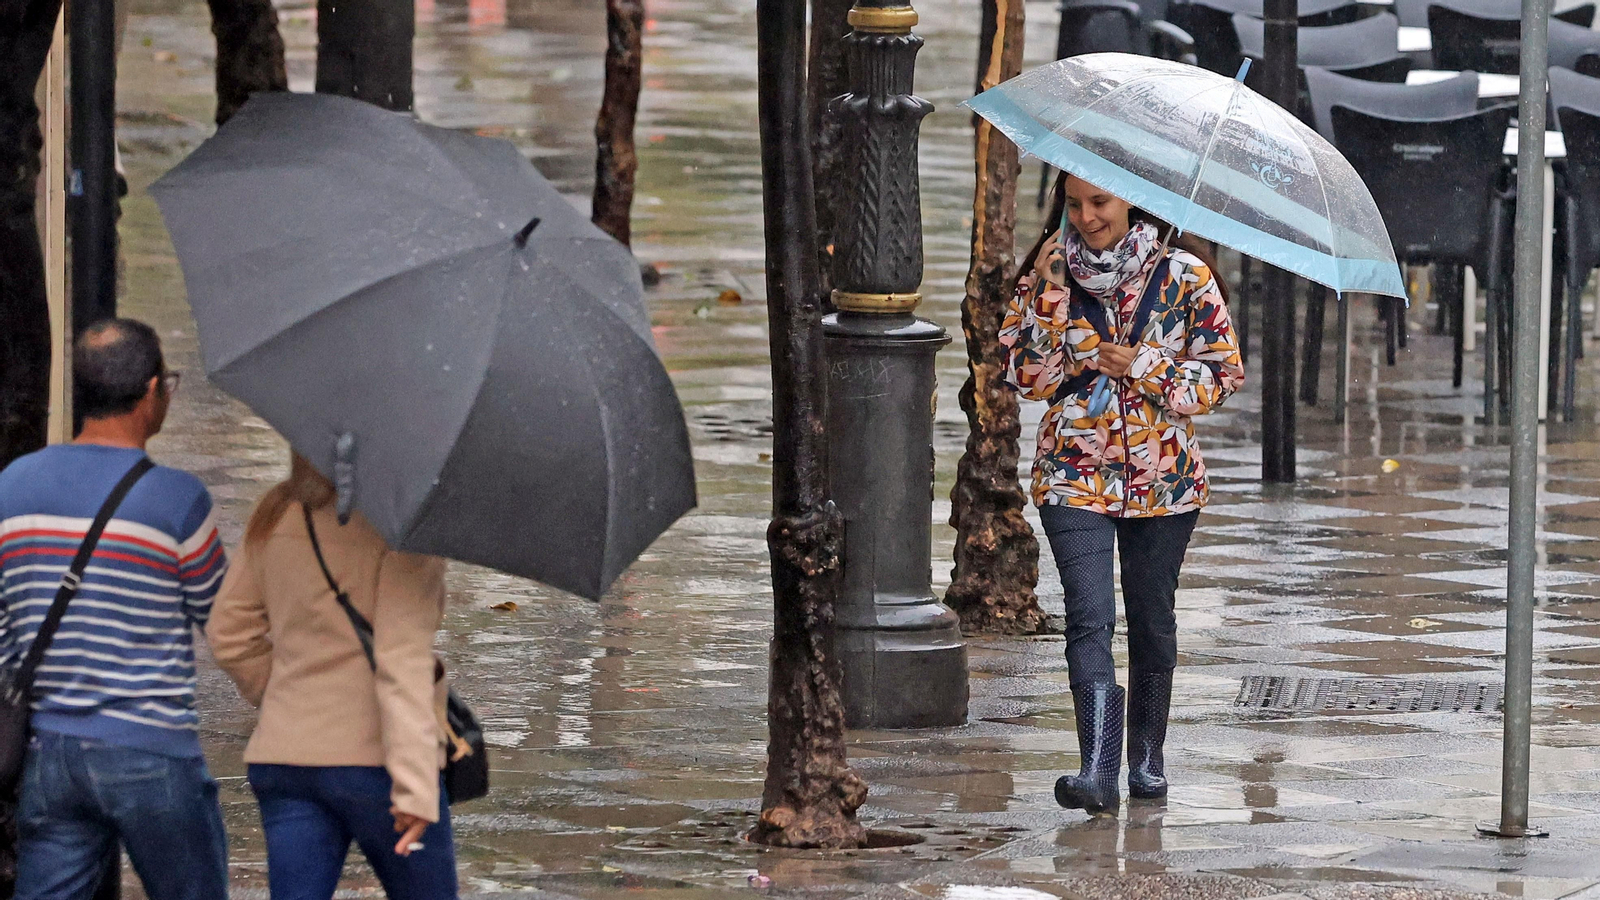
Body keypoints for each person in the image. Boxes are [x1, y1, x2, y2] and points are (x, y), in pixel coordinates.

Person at [1001, 173, 1245, 813]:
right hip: (1073, 474)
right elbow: (1026, 379)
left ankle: (1146, 759)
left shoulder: (1184, 275)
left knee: (1151, 620)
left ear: (1131, 199)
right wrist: (1050, 296)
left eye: (1099, 202)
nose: (1086, 217)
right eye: (1074, 204)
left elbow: (1222, 377)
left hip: (1165, 481)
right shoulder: (1048, 275)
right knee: (1089, 616)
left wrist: (1142, 365)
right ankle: (1096, 769)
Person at [0, 319, 229, 899]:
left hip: (50, 755)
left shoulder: (11, 488)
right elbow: (225, 623)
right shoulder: (178, 499)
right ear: (152, 391)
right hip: (153, 754)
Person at [207, 453, 457, 900]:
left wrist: (287, 697)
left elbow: (229, 632)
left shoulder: (277, 511)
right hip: (377, 764)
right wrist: (416, 787)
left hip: (286, 759)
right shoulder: (403, 525)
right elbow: (402, 662)